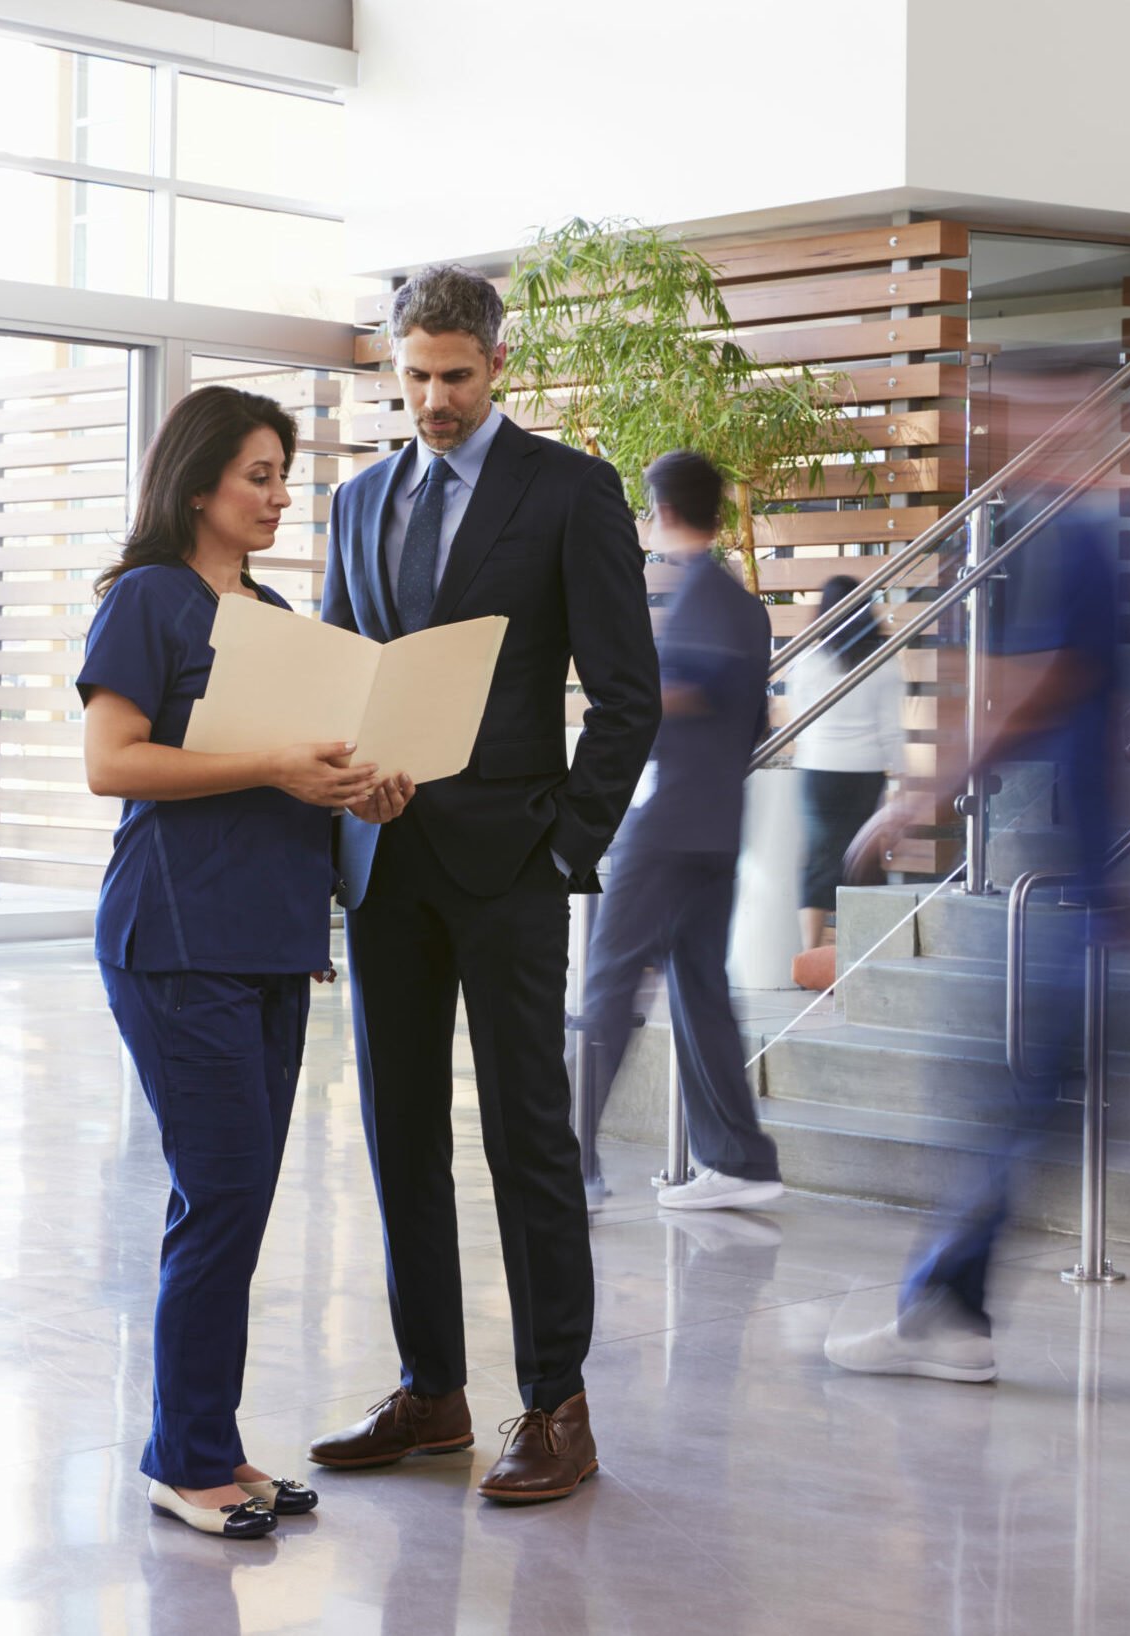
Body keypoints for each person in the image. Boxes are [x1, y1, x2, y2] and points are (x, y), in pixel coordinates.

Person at [311, 264, 661, 1503]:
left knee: (526, 1139)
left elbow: (630, 697)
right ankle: (432, 1391)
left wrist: (565, 845)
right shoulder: (358, 500)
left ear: (499, 364)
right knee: (399, 1133)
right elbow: (340, 677)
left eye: (456, 376)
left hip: (512, 865)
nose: (435, 399)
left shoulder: (570, 492)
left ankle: (556, 1404)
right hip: (386, 864)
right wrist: (349, 790)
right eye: (414, 376)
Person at [78, 385, 412, 1539]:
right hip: (174, 941)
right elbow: (112, 763)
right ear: (197, 480)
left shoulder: (269, 613)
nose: (277, 495)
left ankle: (207, 1443)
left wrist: (364, 783)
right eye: (257, 475)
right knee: (219, 1192)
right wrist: (276, 763)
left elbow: (296, 775)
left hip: (269, 943)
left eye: (282, 475)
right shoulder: (148, 601)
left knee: (237, 1198)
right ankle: (184, 1459)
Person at [825, 374, 1121, 1383]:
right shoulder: (1084, 533)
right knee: (1017, 1101)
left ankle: (945, 1311)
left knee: (1015, 1098)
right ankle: (950, 1311)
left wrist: (924, 792)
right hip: (1090, 874)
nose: (1002, 438)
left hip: (1086, 882)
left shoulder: (1076, 535)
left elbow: (1037, 689)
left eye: (1023, 417)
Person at [576, 452, 784, 1215]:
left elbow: (680, 695)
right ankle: (738, 1160)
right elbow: (754, 721)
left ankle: (571, 1169)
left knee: (607, 982)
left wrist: (629, 693)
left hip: (665, 825)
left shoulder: (697, 599)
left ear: (659, 509)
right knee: (698, 987)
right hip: (720, 823)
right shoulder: (743, 605)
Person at [790, 573, 905, 954]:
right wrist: (901, 778)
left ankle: (810, 953)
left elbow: (798, 720)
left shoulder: (806, 660)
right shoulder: (882, 662)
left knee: (820, 858)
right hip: (865, 771)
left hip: (817, 769)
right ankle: (858, 956)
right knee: (860, 859)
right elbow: (891, 728)